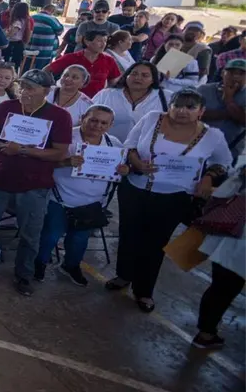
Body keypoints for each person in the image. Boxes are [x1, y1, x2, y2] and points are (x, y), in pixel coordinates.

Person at [109, 90, 232, 312]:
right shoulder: (152, 119)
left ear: (201, 111)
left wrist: (208, 177)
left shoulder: (212, 136)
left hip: (173, 198)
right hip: (135, 190)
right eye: (178, 105)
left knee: (155, 243)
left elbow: (224, 162)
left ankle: (144, 290)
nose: (183, 111)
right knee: (129, 234)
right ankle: (123, 275)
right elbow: (129, 145)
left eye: (190, 107)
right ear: (170, 107)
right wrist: (137, 162)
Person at [0, 69, 72, 297]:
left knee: (30, 233)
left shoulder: (59, 116)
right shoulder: (6, 108)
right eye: (23, 87)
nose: (25, 92)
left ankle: (24, 274)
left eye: (31, 88)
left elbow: (60, 153)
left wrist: (24, 150)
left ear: (46, 91)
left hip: (34, 184)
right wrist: (1, 146)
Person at [35, 105, 125, 286]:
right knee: (51, 235)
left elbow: (119, 171)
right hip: (60, 197)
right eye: (93, 120)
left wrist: (124, 169)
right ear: (83, 117)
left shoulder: (113, 144)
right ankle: (39, 263)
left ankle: (71, 265)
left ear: (110, 125)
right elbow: (41, 163)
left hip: (92, 202)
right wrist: (65, 162)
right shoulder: (65, 137)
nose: (97, 125)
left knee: (79, 239)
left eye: (103, 122)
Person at [193, 160, 246, 349]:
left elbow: (222, 193)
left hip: (227, 232)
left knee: (220, 286)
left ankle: (206, 331)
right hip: (236, 237)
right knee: (226, 287)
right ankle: (206, 333)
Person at [47, 29, 122, 97]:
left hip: (95, 102)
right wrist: (52, 88)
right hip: (70, 100)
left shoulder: (109, 61)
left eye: (105, 41)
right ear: (87, 41)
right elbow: (46, 70)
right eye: (99, 41)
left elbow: (114, 82)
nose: (103, 44)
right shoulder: (71, 58)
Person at [199, 58, 246, 163]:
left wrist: (229, 99)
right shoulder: (204, 89)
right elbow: (194, 114)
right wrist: (231, 114)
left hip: (231, 148)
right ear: (222, 73)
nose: (236, 77)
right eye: (231, 73)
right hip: (198, 146)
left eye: (241, 73)